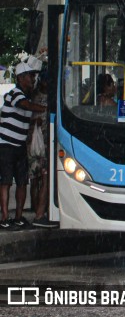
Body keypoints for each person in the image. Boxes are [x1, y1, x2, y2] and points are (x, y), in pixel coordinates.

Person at [0, 60, 46, 230]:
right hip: (6, 145)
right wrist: (44, 108)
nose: (33, 79)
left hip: (19, 146)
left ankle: (18, 217)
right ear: (21, 78)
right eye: (30, 76)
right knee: (5, 181)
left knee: (21, 182)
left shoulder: (26, 96)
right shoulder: (15, 94)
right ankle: (5, 217)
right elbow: (25, 106)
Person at [26, 71, 58, 228]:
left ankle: (39, 210)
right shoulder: (37, 98)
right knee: (40, 178)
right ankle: (39, 212)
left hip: (45, 144)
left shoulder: (49, 97)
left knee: (41, 177)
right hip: (38, 144)